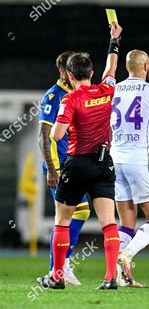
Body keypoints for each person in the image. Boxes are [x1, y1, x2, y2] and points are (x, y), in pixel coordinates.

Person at [37, 22, 123, 290]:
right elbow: (112, 67)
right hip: (103, 163)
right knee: (109, 223)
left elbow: (56, 136)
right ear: (92, 72)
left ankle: (57, 276)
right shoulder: (106, 90)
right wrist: (114, 40)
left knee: (62, 220)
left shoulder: (69, 100)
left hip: (76, 165)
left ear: (71, 77)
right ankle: (110, 278)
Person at [110, 49, 149, 287]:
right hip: (140, 159)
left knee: (126, 222)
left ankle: (121, 275)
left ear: (127, 67)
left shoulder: (113, 89)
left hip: (115, 159)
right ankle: (128, 254)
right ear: (147, 66)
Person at [38, 51, 90, 286]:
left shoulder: (77, 93)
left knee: (78, 213)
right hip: (59, 167)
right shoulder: (54, 96)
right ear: (63, 72)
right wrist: (51, 169)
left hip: (73, 165)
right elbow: (43, 137)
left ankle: (60, 267)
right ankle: (58, 269)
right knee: (67, 215)